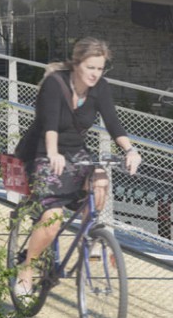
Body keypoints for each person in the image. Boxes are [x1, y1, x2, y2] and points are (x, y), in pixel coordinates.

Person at [11, 37, 141, 298]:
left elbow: (113, 123)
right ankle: (26, 269)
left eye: (100, 68)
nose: (95, 74)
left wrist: (130, 150)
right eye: (90, 67)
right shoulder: (54, 84)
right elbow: (48, 125)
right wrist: (52, 154)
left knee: (101, 179)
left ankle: (88, 238)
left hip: (75, 151)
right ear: (76, 63)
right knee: (53, 219)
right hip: (40, 152)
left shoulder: (100, 88)